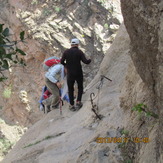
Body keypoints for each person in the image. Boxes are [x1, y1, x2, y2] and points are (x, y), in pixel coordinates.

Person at [61, 38, 91, 111]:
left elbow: (61, 61)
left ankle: (71, 105)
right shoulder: (79, 52)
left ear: (71, 44)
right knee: (80, 87)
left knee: (71, 89)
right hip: (78, 73)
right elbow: (86, 62)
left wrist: (66, 65)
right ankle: (78, 102)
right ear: (77, 45)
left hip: (70, 74)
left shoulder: (66, 52)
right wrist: (90, 60)